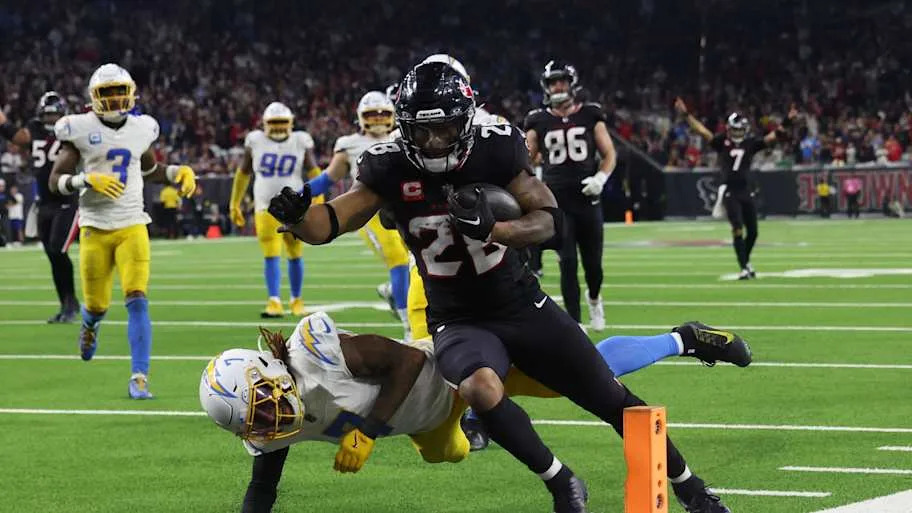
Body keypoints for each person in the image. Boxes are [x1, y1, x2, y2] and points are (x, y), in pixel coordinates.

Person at [267, 62, 739, 513]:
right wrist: (297, 218)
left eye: (444, 129)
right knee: (478, 386)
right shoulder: (387, 165)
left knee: (608, 396)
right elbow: (333, 220)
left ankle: (691, 488)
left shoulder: (495, 147)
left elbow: (548, 219)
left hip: (519, 302)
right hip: (457, 317)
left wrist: (495, 230)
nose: (433, 142)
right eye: (421, 131)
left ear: (466, 121)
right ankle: (561, 482)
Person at [200, 311, 752, 513]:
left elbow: (404, 365)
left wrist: (365, 432)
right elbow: (262, 491)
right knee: (449, 456)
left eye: (267, 406)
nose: (273, 422)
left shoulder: (318, 351)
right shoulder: (267, 431)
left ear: (270, 374)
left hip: (449, 369)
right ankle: (474, 423)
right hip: (424, 423)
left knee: (584, 374)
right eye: (259, 421)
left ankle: (683, 338)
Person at [49, 63, 197, 398]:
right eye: (108, 92)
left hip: (132, 224)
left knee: (138, 298)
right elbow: (54, 182)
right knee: (97, 306)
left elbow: (151, 169)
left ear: (130, 93)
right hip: (95, 227)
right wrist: (85, 179)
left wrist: (177, 172)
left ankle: (139, 377)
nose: (116, 99)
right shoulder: (78, 129)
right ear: (94, 97)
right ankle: (89, 325)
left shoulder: (141, 128)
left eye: (120, 91)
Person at [306, 91, 411, 339]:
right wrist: (301, 194)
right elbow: (327, 179)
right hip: (370, 212)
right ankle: (409, 326)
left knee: (416, 262)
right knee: (398, 260)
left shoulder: (403, 137)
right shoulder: (349, 145)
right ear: (360, 118)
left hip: (403, 208)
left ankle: (392, 292)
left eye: (382, 114)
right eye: (371, 115)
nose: (376, 119)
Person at [523, 61, 617, 331]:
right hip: (557, 200)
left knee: (593, 265)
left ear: (572, 83)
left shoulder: (590, 114)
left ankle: (595, 298)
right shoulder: (538, 119)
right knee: (567, 262)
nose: (557, 86)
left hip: (587, 197)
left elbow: (609, 153)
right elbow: (526, 157)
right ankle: (575, 322)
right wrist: (535, 183)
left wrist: (600, 178)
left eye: (561, 80)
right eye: (552, 82)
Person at [675, 97, 796, 280]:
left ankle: (745, 263)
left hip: (745, 190)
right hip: (729, 190)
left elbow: (774, 136)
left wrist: (788, 120)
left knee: (753, 232)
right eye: (735, 129)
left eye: (741, 129)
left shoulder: (750, 143)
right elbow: (701, 130)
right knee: (737, 228)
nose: (738, 132)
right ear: (729, 129)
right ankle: (744, 267)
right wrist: (686, 115)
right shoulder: (722, 142)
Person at [229, 102, 322, 318]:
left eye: (282, 123)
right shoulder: (255, 141)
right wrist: (235, 202)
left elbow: (314, 171)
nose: (279, 127)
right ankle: (274, 300)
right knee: (271, 254)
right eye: (274, 123)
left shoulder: (300, 140)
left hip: (295, 207)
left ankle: (296, 299)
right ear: (264, 124)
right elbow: (242, 173)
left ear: (290, 123)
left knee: (295, 254)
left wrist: (318, 197)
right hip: (265, 206)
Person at [0, 92, 80, 321]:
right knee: (51, 254)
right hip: (44, 203)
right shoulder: (33, 130)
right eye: (47, 116)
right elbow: (13, 134)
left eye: (55, 115)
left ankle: (71, 303)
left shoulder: (73, 131)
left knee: (57, 249)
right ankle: (66, 304)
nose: (51, 120)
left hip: (66, 200)